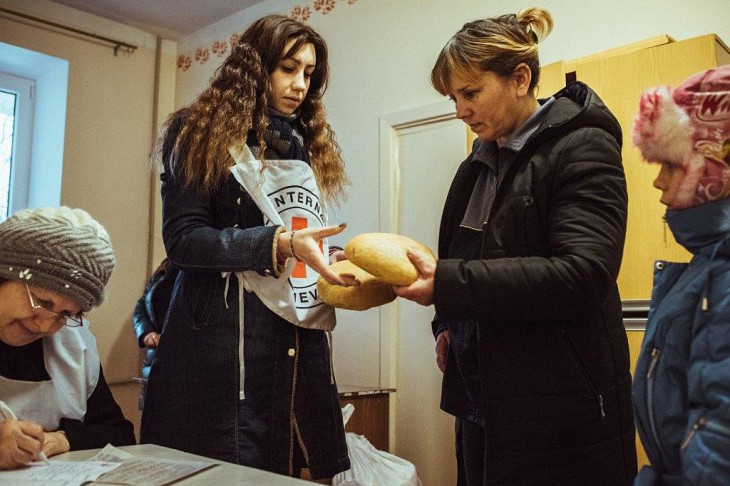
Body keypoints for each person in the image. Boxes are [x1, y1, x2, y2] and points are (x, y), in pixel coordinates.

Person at [394, 7, 637, 485]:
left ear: (520, 78)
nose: (460, 110)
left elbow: (582, 274)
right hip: (479, 403)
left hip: (558, 411)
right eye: (452, 97)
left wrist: (445, 285)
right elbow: (465, 257)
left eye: (470, 93)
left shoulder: (584, 146)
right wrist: (447, 325)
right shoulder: (475, 165)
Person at [139, 14, 351, 481]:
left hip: (297, 347)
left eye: (309, 73)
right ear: (256, 68)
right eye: (287, 68)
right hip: (219, 350)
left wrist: (329, 263)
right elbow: (184, 241)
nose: (299, 84)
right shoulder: (196, 132)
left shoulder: (302, 144)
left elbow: (296, 236)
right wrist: (278, 243)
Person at [631, 65, 730, 484]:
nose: (656, 182)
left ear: (713, 170)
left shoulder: (723, 275)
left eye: (670, 165)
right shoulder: (707, 263)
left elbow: (719, 430)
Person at [0, 206, 135, 470]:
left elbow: (119, 433)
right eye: (42, 301)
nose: (47, 325)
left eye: (66, 313)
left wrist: (63, 439)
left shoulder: (74, 345)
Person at [131, 258, 178, 410]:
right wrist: (146, 333)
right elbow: (141, 306)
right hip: (156, 359)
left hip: (183, 364)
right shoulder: (166, 267)